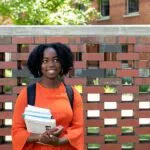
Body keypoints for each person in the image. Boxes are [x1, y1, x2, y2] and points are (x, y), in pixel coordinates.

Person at [11, 43, 84, 150]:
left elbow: (78, 128)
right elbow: (17, 131)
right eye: (45, 61)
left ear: (63, 62)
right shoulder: (27, 93)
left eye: (56, 60)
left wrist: (58, 142)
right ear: (38, 65)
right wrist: (40, 137)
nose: (51, 64)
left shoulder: (72, 93)